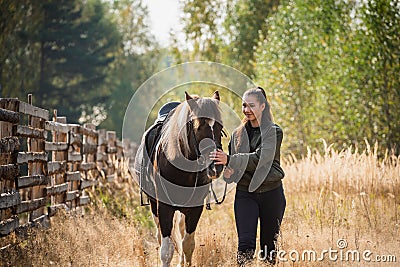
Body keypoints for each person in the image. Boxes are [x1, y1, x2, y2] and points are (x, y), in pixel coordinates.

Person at [210, 87, 286, 266]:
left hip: (271, 195)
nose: (246, 110)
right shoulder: (237, 134)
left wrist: (230, 159)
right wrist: (228, 173)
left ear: (262, 106)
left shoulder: (274, 132)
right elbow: (232, 173)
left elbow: (260, 159)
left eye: (251, 105)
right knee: (245, 246)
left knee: (268, 250)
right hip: (245, 195)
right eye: (244, 105)